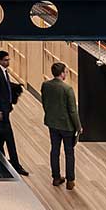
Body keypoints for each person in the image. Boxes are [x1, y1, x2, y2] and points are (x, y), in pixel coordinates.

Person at [41, 62, 82, 190]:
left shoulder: (46, 85)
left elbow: (44, 102)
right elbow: (72, 111)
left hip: (52, 123)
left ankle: (56, 177)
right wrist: (78, 126)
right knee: (69, 153)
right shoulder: (67, 89)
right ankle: (70, 181)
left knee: (55, 150)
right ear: (62, 73)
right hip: (66, 126)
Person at [0, 50, 29, 176]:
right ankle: (16, 165)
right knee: (9, 138)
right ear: (0, 60)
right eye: (5, 60)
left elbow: (5, 86)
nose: (8, 62)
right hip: (2, 110)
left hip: (6, 108)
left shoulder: (4, 72)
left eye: (8, 60)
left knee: (1, 138)